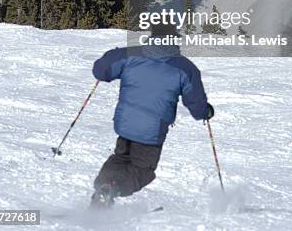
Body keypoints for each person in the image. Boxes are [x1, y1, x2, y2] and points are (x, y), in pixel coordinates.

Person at [91, 33, 213, 207]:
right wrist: (205, 112)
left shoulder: (131, 55)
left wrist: (110, 63)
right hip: (151, 132)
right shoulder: (184, 68)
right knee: (142, 170)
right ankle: (113, 189)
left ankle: (103, 188)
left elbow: (101, 69)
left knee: (120, 158)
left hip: (125, 125)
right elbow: (195, 102)